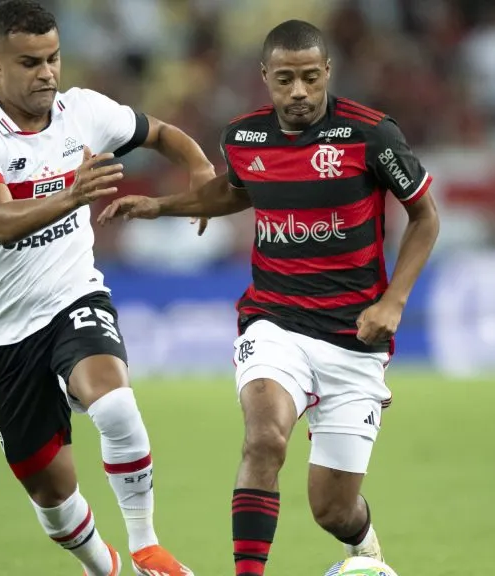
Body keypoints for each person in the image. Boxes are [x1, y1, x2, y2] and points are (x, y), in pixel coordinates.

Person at [98, 19, 441, 575]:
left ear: (327, 71)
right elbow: (235, 190)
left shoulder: (372, 135)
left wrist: (393, 302)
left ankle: (363, 544)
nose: (299, 91)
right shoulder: (245, 137)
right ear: (265, 76)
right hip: (274, 322)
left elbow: (425, 217)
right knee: (264, 439)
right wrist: (162, 207)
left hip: (355, 337)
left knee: (332, 509)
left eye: (310, 77)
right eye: (285, 79)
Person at [0, 2, 214, 575]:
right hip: (2, 334)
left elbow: (159, 132)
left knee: (115, 404)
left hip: (73, 297)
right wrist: (73, 194)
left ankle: (146, 548)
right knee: (54, 500)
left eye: (53, 58)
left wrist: (199, 167)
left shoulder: (84, 112)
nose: (47, 73)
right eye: (30, 62)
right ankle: (103, 567)